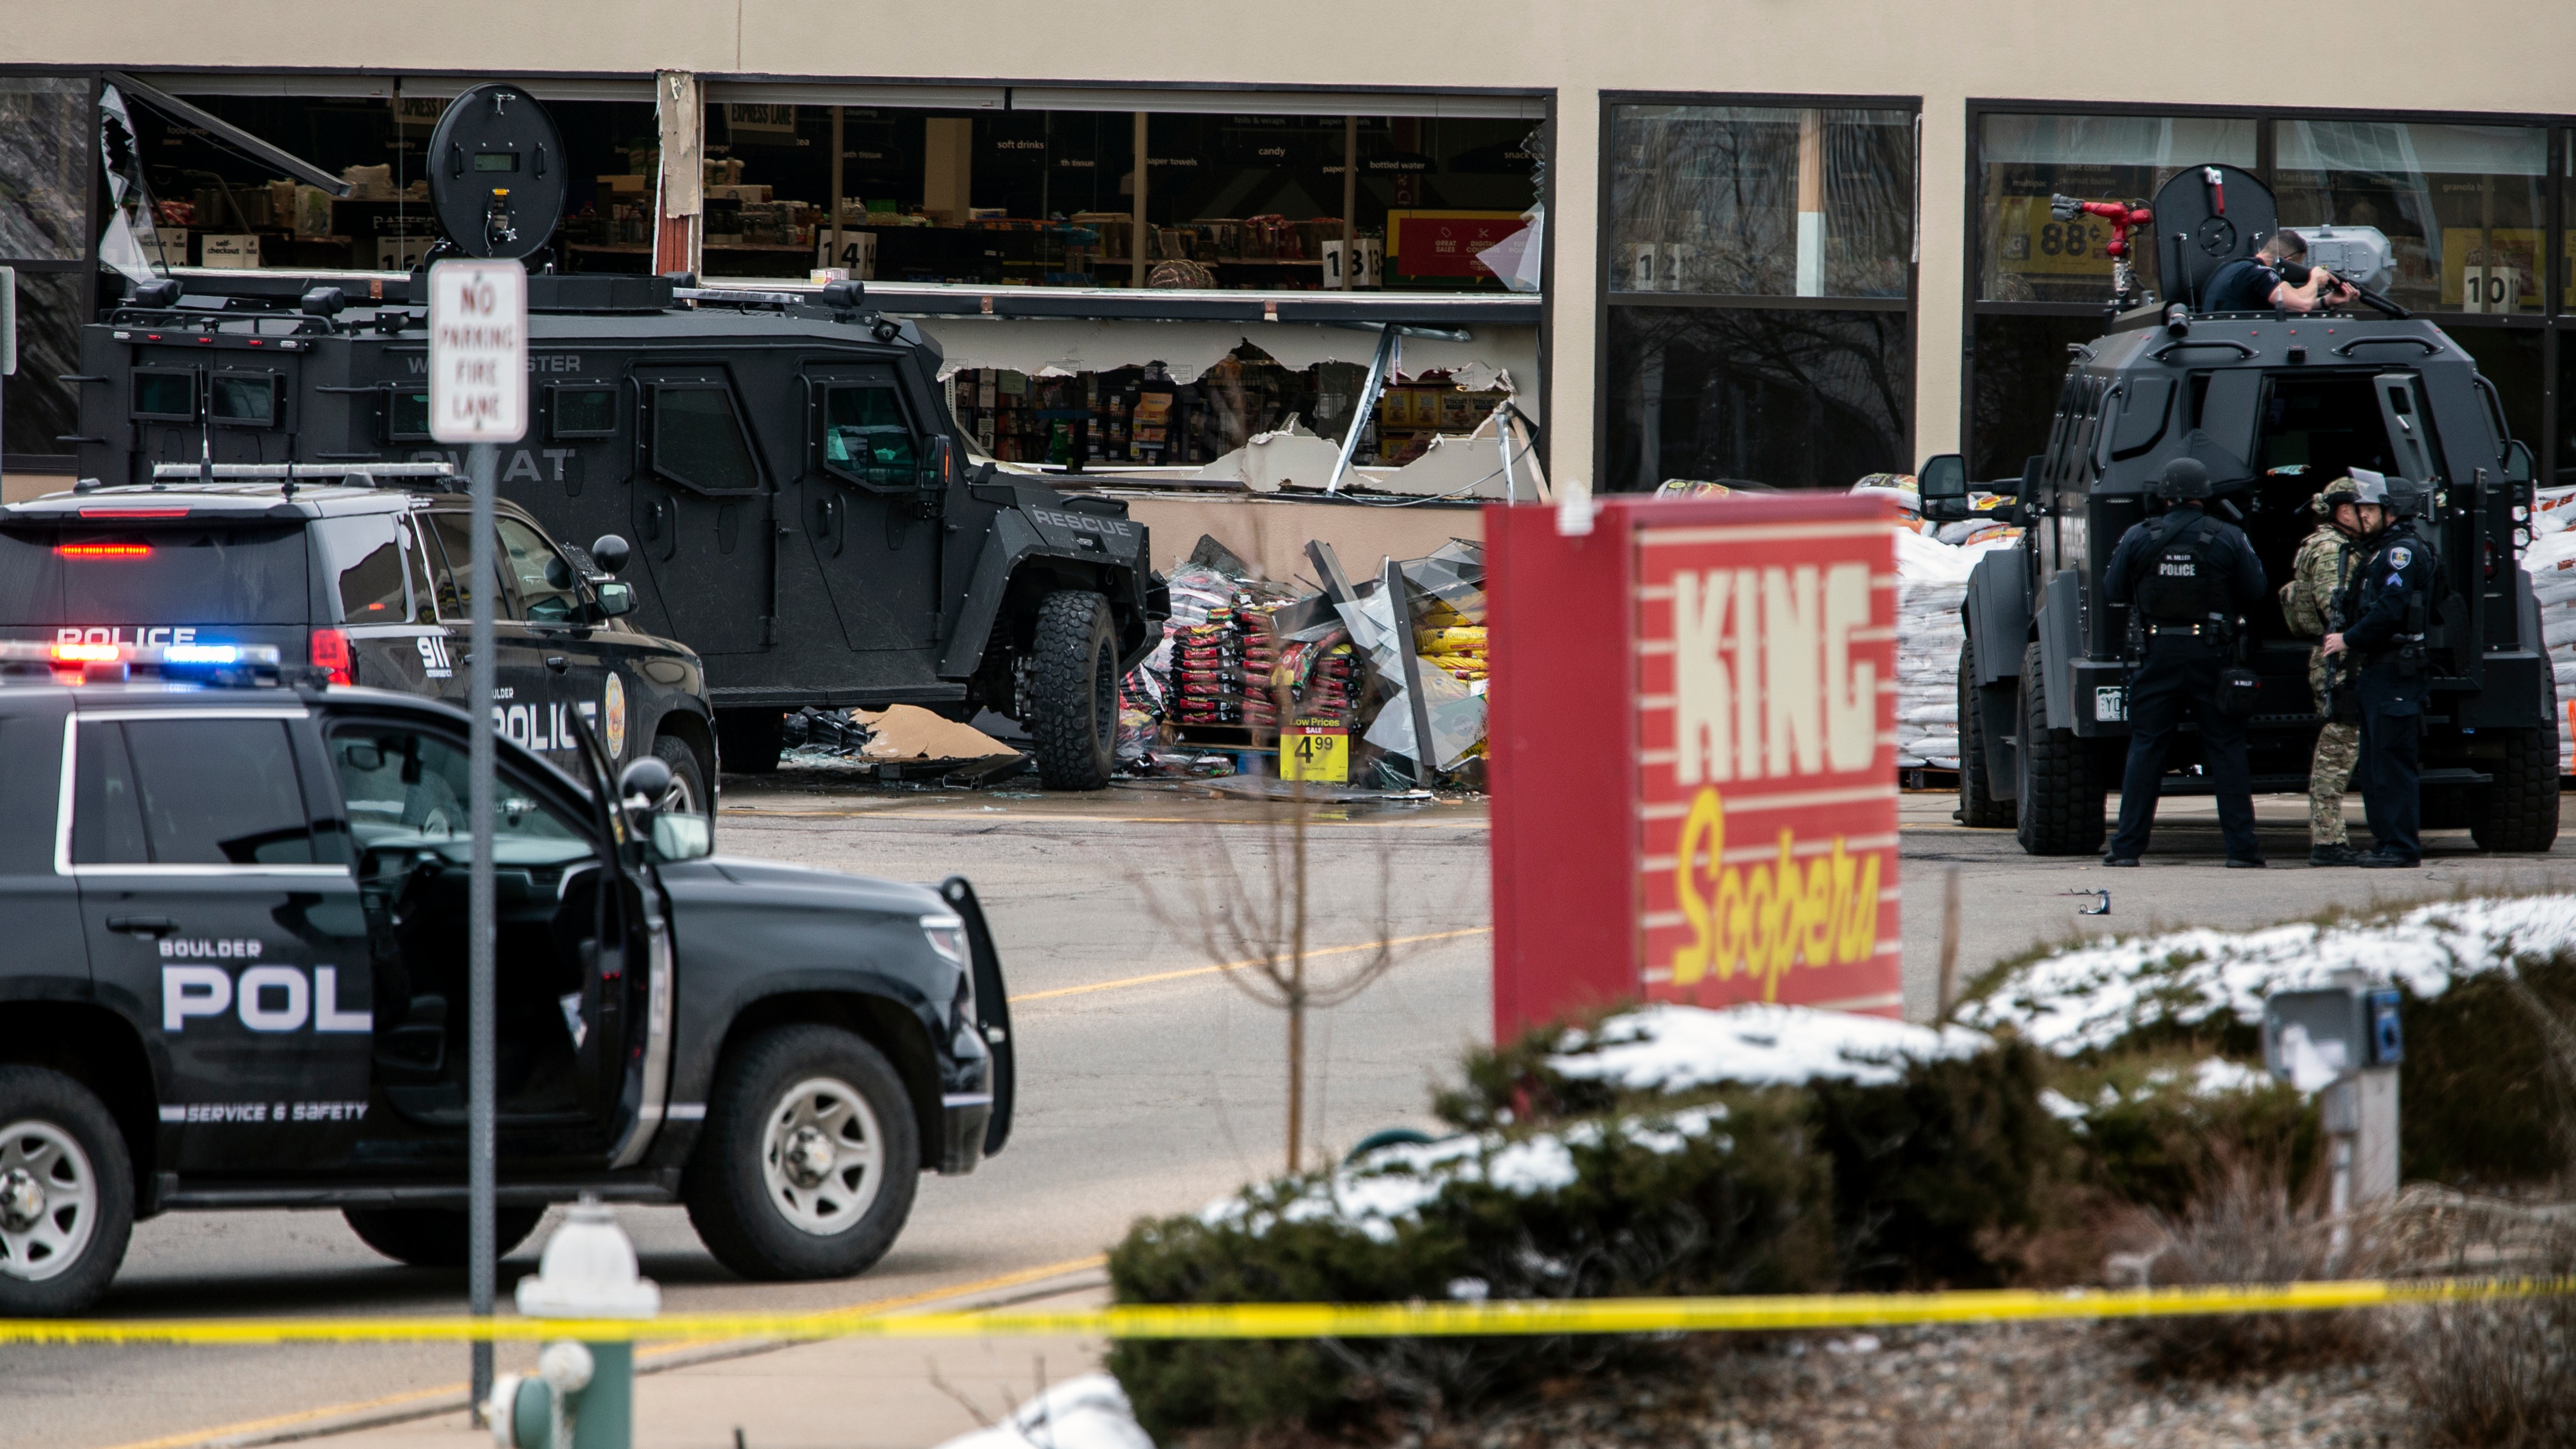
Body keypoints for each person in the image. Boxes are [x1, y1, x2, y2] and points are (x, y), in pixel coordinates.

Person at [2101, 457, 2269, 867]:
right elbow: (2256, 591)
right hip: (2212, 655)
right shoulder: (2229, 536)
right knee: (2226, 750)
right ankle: (2242, 852)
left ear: (2164, 496)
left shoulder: (2139, 536)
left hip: (2157, 653)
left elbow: (2113, 588)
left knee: (2147, 750)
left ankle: (2126, 850)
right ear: (2205, 496)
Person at [2322, 470, 2435, 868]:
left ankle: (2400, 847)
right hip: (2381, 670)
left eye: (2370, 508)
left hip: (2393, 669)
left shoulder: (2399, 553)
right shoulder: (2383, 550)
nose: (2363, 514)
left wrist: (2347, 639)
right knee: (2376, 765)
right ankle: (2387, 843)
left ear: (2392, 510)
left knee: (2391, 762)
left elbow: (2390, 610)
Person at [2280, 476, 2368, 865]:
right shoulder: (2333, 550)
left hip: (2340, 657)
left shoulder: (2336, 545)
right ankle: (2328, 841)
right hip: (2341, 661)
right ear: (2345, 511)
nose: (2371, 516)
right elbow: (2338, 608)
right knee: (2338, 748)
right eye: (2364, 509)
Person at [2202, 229, 2360, 313]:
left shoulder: (2235, 267)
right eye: (2297, 265)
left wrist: (2326, 301)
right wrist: (2314, 279)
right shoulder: (2261, 274)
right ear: (2287, 261)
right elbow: (2303, 305)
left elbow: (2292, 300)